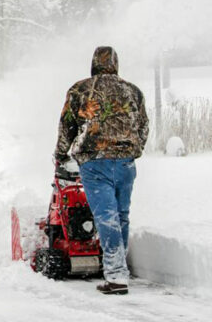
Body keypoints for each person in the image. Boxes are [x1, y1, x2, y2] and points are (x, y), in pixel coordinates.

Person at [55, 46, 149, 295]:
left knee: (106, 216)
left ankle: (117, 275)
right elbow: (143, 126)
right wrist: (133, 150)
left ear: (94, 63)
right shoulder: (133, 91)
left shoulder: (80, 89)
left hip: (95, 163)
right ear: (116, 64)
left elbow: (67, 126)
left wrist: (60, 154)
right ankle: (118, 268)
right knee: (121, 215)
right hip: (126, 162)